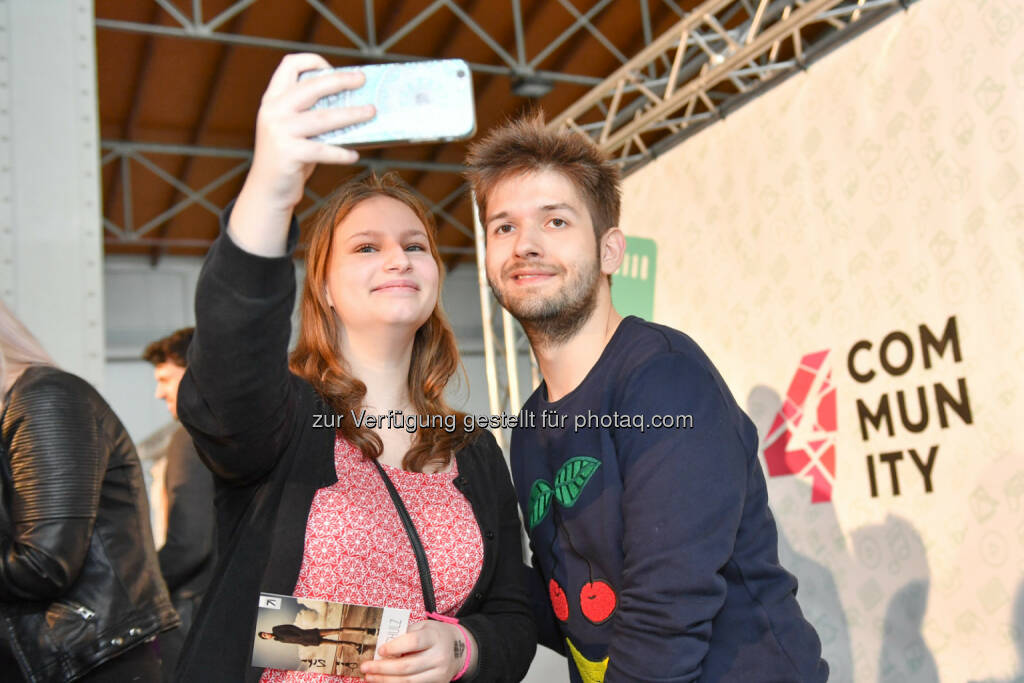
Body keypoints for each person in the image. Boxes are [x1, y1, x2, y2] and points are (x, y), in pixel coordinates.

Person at [174, 53, 535, 683]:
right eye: (367, 247)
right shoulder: (282, 420)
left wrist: (458, 650)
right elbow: (229, 358)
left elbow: (512, 612)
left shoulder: (471, 448)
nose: (397, 258)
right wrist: (274, 184)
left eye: (414, 245)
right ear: (326, 289)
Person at [465, 114, 829, 682]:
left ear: (610, 251)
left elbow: (667, 611)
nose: (526, 245)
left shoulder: (663, 377)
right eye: (503, 227)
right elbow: (572, 605)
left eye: (555, 221)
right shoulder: (531, 425)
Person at [0, 301, 179, 682]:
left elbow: (44, 564)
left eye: (164, 380)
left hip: (88, 659)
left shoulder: (43, 397)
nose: (158, 394)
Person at [142, 327, 217, 681]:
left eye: (166, 379)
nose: (159, 393)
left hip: (194, 605)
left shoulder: (189, 438)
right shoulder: (238, 436)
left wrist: (141, 588)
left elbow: (189, 543)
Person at [258, 625, 377, 648]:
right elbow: (293, 641)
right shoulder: (278, 639)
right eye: (264, 636)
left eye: (264, 633)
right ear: (266, 638)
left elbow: (290, 627)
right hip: (309, 642)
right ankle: (355, 645)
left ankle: (367, 631)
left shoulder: (276, 629)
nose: (266, 635)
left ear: (266, 632)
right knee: (336, 644)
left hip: (309, 634)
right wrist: (303, 644)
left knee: (337, 631)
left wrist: (301, 633)